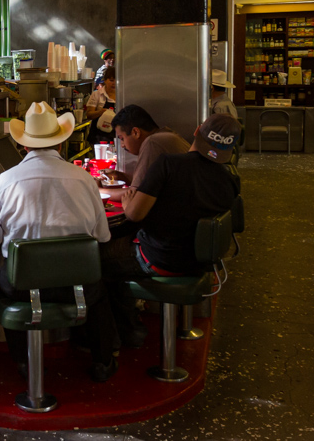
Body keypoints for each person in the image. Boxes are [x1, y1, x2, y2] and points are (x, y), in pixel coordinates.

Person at [0, 102, 118, 382]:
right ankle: (103, 361)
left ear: (24, 147)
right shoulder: (84, 179)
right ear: (61, 143)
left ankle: (23, 362)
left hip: (22, 289)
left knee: (5, 284)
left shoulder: (5, 181)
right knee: (100, 290)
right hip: (78, 288)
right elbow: (103, 236)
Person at [100, 114, 242, 346]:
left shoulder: (168, 164)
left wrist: (126, 203)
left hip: (160, 259)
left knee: (95, 259)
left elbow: (134, 214)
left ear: (197, 131)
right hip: (200, 262)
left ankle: (124, 331)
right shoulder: (230, 178)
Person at [104, 105, 190, 203]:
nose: (122, 145)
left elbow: (136, 195)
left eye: (122, 138)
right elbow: (150, 182)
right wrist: (120, 176)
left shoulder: (152, 142)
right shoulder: (167, 135)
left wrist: (99, 191)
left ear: (136, 132)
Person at [86, 66, 116, 147]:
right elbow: (89, 114)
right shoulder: (97, 94)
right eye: (111, 80)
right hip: (98, 137)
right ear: (105, 80)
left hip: (115, 136)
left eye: (116, 80)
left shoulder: (121, 96)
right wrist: (100, 112)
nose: (114, 83)